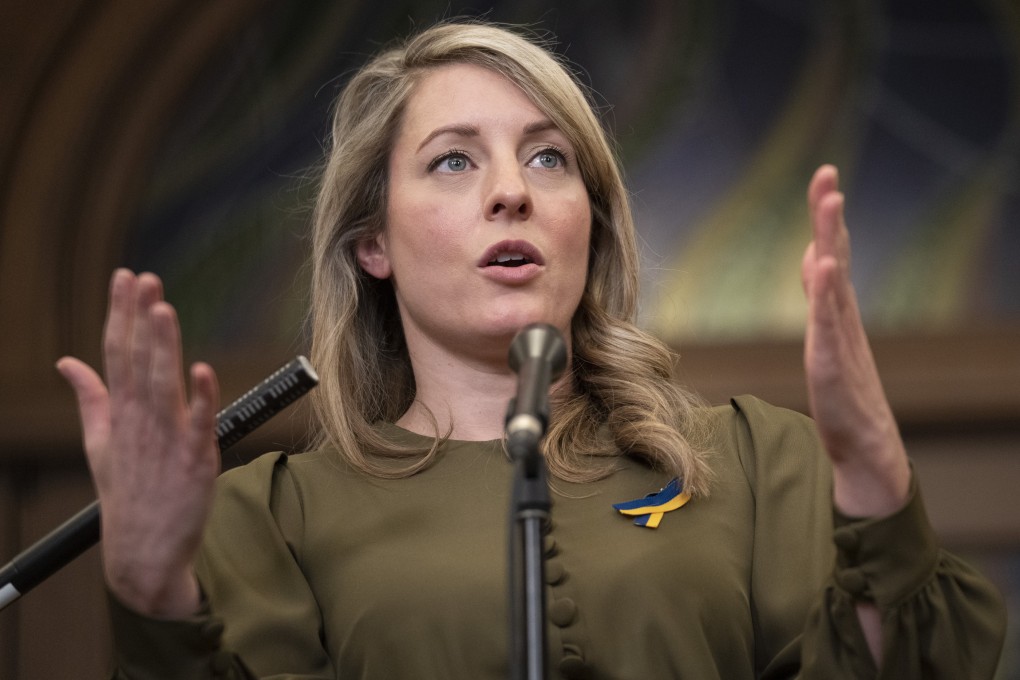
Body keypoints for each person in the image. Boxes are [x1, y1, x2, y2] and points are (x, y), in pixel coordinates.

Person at [56, 20, 1005, 680]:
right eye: (453, 160)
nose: (511, 191)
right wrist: (152, 592)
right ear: (372, 244)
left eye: (549, 157)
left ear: (590, 221)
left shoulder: (761, 464)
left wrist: (874, 475)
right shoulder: (272, 520)